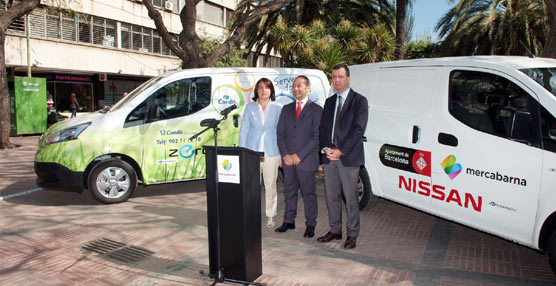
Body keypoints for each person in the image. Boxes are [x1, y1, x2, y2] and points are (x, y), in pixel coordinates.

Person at [317, 64, 368, 249]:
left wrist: (341, 150)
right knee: (331, 196)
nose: (336, 80)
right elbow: (322, 128)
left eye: (340, 76)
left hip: (348, 158)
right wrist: (325, 148)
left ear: (348, 78)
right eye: (334, 77)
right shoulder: (330, 102)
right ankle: (335, 230)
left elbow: (358, 129)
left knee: (351, 198)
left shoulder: (359, 101)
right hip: (330, 157)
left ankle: (352, 234)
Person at [275, 75, 322, 238]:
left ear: (308, 88)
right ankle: (289, 220)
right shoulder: (286, 109)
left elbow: (316, 137)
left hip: (306, 160)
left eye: (300, 85)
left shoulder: (317, 110)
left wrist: (299, 156)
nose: (296, 88)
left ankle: (310, 224)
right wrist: (285, 155)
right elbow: (280, 134)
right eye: (294, 86)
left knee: (309, 193)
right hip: (288, 160)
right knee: (289, 192)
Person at [239, 78, 282, 228]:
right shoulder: (250, 107)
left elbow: (282, 132)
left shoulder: (278, 107)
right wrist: (243, 152)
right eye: (260, 88)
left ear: (271, 91)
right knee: (251, 186)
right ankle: (250, 214)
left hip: (272, 151)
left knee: (270, 185)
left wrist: (282, 155)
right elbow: (244, 130)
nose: (264, 90)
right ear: (256, 90)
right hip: (252, 151)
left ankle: (270, 215)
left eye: (267, 88)